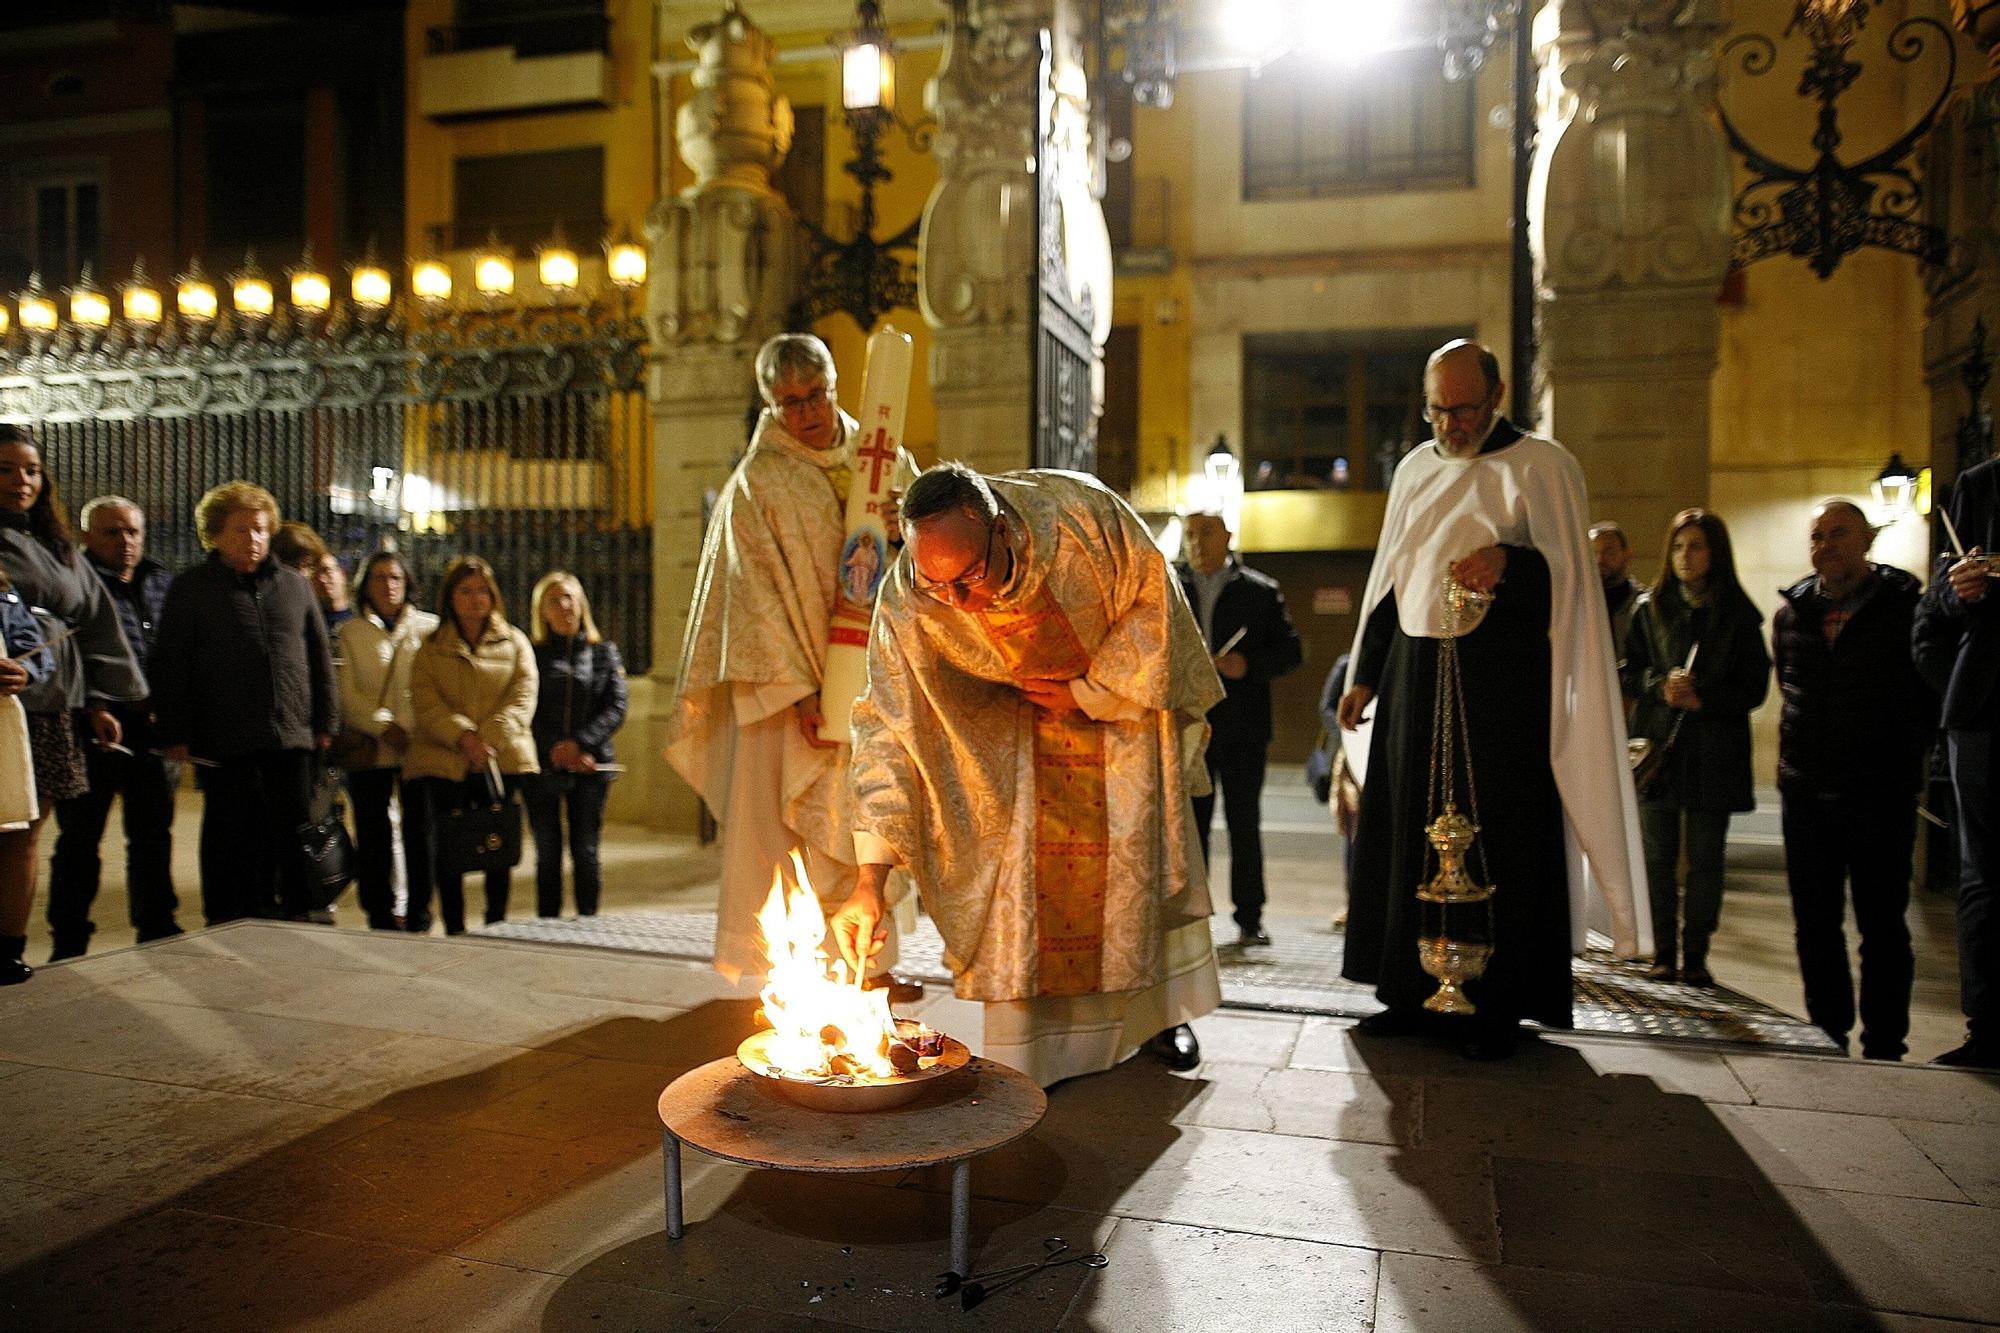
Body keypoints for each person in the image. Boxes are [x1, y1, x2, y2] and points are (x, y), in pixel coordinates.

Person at [830, 462, 1226, 1085]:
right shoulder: (911, 594)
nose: (956, 601)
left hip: (1113, 727)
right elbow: (888, 723)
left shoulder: (1083, 520)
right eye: (939, 585)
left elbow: (1159, 615)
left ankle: (1158, 1019)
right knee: (1013, 897)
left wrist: (1091, 694)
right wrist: (868, 879)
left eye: (969, 577)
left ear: (1000, 529)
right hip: (998, 748)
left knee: (1133, 885)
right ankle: (1031, 1055)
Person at [1336, 340, 1646, 1060]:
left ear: (1498, 394)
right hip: (1417, 680)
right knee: (1410, 828)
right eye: (1436, 409)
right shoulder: (1414, 469)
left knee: (1499, 833)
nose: (1449, 424)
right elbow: (1391, 579)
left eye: (1463, 407)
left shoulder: (1542, 467)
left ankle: (1497, 1003)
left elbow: (1569, 587)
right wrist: (1365, 673)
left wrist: (1510, 561)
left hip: (1501, 688)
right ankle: (1407, 992)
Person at [666, 332, 919, 998]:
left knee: (871, 806)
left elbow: (931, 554)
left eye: (817, 395)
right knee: (800, 820)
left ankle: (876, 966)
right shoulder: (757, 483)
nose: (807, 411)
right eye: (790, 402)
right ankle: (809, 974)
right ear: (771, 406)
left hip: (877, 676)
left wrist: (906, 530)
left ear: (836, 386)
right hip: (795, 685)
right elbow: (748, 593)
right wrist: (800, 689)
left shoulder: (888, 457)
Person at [1774, 500, 1932, 1059]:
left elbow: (1922, 693)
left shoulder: (1904, 606)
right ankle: (1827, 1031)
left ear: (1867, 540)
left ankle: (1886, 1040)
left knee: (1883, 927)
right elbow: (1789, 693)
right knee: (1814, 925)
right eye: (1816, 536)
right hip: (1806, 793)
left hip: (1878, 794)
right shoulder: (1791, 613)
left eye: (1838, 534)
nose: (1824, 545)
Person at [0, 428, 149, 984]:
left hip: (50, 706)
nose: (22, 482)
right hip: (2, 706)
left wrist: (101, 700)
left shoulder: (57, 543)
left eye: (32, 470)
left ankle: (8, 947)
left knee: (25, 834)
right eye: (7, 470)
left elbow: (95, 622)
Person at [151, 482, 337, 924]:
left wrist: (326, 720)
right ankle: (226, 916)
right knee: (228, 833)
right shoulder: (192, 589)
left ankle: (293, 913)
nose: (252, 539)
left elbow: (317, 656)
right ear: (214, 534)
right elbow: (171, 663)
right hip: (225, 738)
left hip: (290, 735)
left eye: (259, 530)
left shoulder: (294, 586)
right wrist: (175, 732)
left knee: (292, 832)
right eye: (240, 530)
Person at [1621, 509, 1770, 987]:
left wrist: (1704, 696)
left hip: (1713, 749)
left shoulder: (1738, 615)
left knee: (1706, 859)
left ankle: (1697, 954)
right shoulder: (1651, 608)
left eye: (1697, 546)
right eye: (1679, 546)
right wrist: (1659, 685)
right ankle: (1662, 951)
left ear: (1715, 553)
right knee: (1656, 857)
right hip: (1661, 750)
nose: (1686, 556)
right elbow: (1626, 670)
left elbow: (1754, 687)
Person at [46, 496, 183, 959]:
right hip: (94, 727)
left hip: (151, 726)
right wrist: (94, 704)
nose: (125, 542)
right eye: (112, 532)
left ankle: (157, 926)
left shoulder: (161, 583)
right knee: (80, 839)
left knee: (152, 834)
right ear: (87, 536)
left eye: (133, 532)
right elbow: (68, 651)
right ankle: (69, 937)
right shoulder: (75, 584)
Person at [1175, 509, 1304, 946]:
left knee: (1243, 822)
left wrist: (1248, 665)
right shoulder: (1170, 588)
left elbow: (1291, 651)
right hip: (1190, 727)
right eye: (1190, 534)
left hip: (1243, 727)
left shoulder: (1260, 591)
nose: (1196, 543)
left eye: (1206, 533)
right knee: (1191, 826)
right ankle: (1192, 917)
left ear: (1228, 536)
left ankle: (1250, 917)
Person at [1914, 456, 2000, 1067]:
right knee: (1985, 874)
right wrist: (1959, 587)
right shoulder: (1980, 484)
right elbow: (1941, 597)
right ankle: (1989, 1028)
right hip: (1986, 707)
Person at [405, 556, 538, 933]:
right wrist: (463, 736)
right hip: (447, 759)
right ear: (450, 596)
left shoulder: (514, 642)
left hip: (501, 759)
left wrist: (489, 738)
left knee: (498, 840)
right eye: (465, 590)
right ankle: (455, 925)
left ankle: (496, 921)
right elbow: (425, 699)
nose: (475, 598)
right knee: (452, 847)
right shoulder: (431, 648)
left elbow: (524, 695)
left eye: (482, 590)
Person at [335, 552, 439, 932]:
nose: (388, 585)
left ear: (408, 582)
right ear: (366, 584)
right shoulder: (351, 633)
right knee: (373, 832)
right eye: (379, 577)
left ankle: (419, 911)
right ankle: (379, 911)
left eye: (395, 577)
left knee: (420, 832)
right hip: (372, 746)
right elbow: (348, 695)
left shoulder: (430, 629)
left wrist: (411, 729)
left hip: (419, 746)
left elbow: (435, 687)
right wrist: (385, 727)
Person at [525, 571, 627, 919]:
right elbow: (525, 706)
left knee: (586, 850)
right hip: (543, 765)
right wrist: (554, 747)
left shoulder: (604, 653)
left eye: (570, 597)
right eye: (555, 600)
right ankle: (548, 923)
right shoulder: (532, 654)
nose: (565, 606)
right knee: (547, 851)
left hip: (591, 765)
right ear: (543, 611)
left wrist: (581, 744)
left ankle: (588, 920)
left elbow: (616, 706)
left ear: (582, 604)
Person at [1591, 521, 1646, 663]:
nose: (1599, 560)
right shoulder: (1579, 605)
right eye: (1593, 553)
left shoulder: (1645, 605)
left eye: (1609, 552)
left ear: (1627, 555)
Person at [313, 551, 355, 634]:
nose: (322, 579)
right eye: (316, 574)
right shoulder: (309, 624)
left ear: (342, 575)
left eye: (327, 571)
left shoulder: (361, 621)